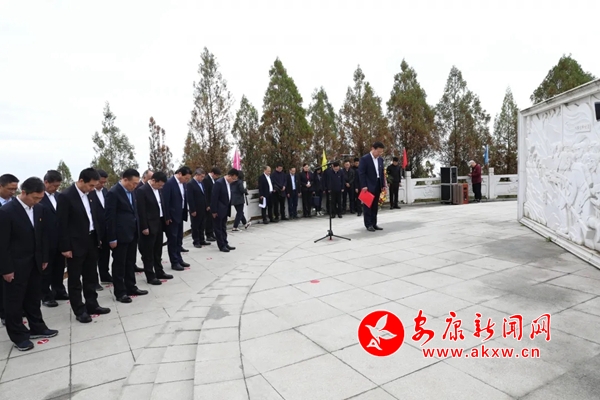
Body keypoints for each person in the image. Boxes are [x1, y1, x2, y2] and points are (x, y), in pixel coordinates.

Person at [0, 177, 58, 351]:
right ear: (23, 193)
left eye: (40, 198)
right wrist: (6, 269)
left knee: (33, 297)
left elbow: (42, 235)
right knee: (14, 302)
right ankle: (18, 335)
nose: (37, 201)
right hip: (15, 265)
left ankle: (37, 327)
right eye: (35, 198)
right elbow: (2, 243)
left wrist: (44, 258)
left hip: (35, 262)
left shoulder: (39, 209)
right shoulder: (7, 211)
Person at [56, 168, 111, 323]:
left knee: (91, 275)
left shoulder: (90, 194)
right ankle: (79, 310)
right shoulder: (66, 196)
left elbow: (94, 217)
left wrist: (98, 237)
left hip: (91, 240)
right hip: (75, 244)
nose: (93, 188)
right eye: (91, 185)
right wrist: (65, 247)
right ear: (81, 181)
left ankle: (92, 304)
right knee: (75, 279)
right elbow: (61, 224)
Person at [105, 169, 148, 303]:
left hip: (132, 233)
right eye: (133, 183)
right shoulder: (113, 193)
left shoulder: (132, 191)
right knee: (119, 264)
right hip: (120, 235)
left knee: (130, 262)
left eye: (136, 183)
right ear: (125, 179)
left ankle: (131, 286)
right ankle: (120, 292)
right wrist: (112, 238)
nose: (135, 186)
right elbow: (110, 217)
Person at [136, 171, 173, 285]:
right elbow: (141, 211)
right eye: (159, 184)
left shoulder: (159, 190)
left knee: (158, 249)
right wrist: (144, 227)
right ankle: (150, 275)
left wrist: (166, 217)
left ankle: (159, 271)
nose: (161, 187)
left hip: (159, 222)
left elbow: (161, 205)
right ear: (153, 180)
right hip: (148, 225)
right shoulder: (142, 191)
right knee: (148, 252)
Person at [39, 170, 69, 307]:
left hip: (60, 238)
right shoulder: (39, 197)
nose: (56, 188)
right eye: (54, 185)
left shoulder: (59, 196)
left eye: (58, 186)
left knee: (59, 267)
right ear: (46, 182)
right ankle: (46, 295)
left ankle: (59, 291)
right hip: (46, 239)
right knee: (46, 270)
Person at [163, 167, 192, 271]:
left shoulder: (183, 184)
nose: (186, 180)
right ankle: (174, 262)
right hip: (172, 217)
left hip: (180, 215)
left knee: (179, 238)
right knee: (173, 240)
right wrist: (167, 216)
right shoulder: (169, 183)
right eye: (186, 178)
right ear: (179, 174)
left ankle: (179, 259)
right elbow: (165, 201)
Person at [0, 174, 19, 326]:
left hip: (14, 250)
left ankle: (16, 311)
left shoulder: (14, 204)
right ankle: (4, 313)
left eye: (15, 189)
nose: (12, 192)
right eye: (10, 189)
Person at [358, 142, 387, 232]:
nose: (379, 153)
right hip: (368, 186)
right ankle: (368, 224)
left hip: (378, 184)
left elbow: (381, 173)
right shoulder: (365, 159)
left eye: (381, 152)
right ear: (373, 149)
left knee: (375, 206)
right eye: (378, 151)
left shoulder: (380, 160)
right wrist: (363, 185)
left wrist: (383, 185)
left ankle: (374, 223)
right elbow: (361, 173)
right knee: (368, 206)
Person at [211, 169, 239, 252]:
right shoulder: (219, 183)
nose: (233, 181)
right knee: (218, 228)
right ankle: (221, 245)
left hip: (225, 209)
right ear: (229, 176)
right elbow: (214, 197)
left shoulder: (228, 184)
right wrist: (214, 211)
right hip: (218, 210)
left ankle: (225, 243)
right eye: (233, 179)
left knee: (223, 227)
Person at [94, 169, 112, 284]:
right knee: (94, 256)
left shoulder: (105, 191)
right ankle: (94, 280)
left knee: (105, 253)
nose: (102, 184)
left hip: (106, 227)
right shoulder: (89, 193)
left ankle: (105, 274)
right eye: (100, 182)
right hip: (96, 229)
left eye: (104, 182)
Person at [187, 168, 211, 248]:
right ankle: (196, 241)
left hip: (203, 208)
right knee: (195, 226)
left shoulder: (202, 183)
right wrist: (193, 210)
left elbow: (204, 195)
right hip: (196, 208)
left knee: (202, 225)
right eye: (202, 176)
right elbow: (190, 198)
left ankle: (202, 240)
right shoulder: (190, 184)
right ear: (197, 175)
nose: (203, 178)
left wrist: (207, 205)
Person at [202, 168, 221, 242]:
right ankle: (208, 234)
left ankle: (212, 233)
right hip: (208, 203)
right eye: (216, 175)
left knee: (212, 219)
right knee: (208, 220)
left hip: (213, 203)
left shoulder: (213, 180)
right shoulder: (206, 180)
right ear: (212, 173)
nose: (217, 177)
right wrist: (207, 204)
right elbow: (206, 193)